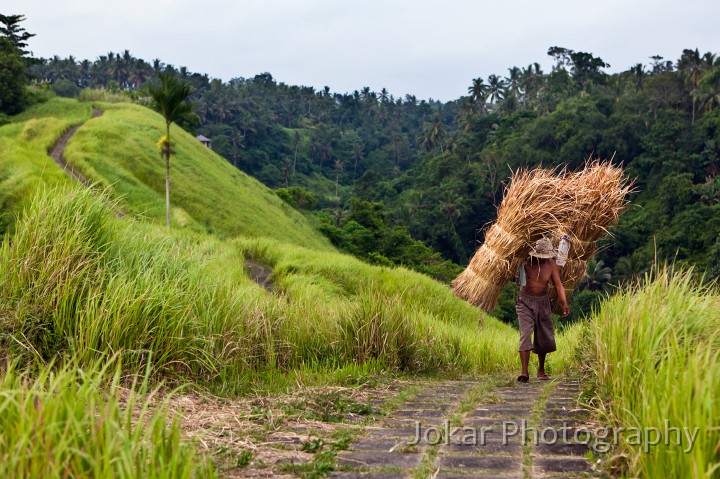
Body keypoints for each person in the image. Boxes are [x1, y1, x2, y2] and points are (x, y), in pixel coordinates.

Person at [516, 237, 569, 383]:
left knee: (543, 336)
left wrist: (564, 303)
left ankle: (541, 369)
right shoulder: (525, 261)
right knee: (525, 334)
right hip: (524, 302)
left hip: (543, 303)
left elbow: (558, 285)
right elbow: (511, 272)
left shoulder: (551, 264)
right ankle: (524, 372)